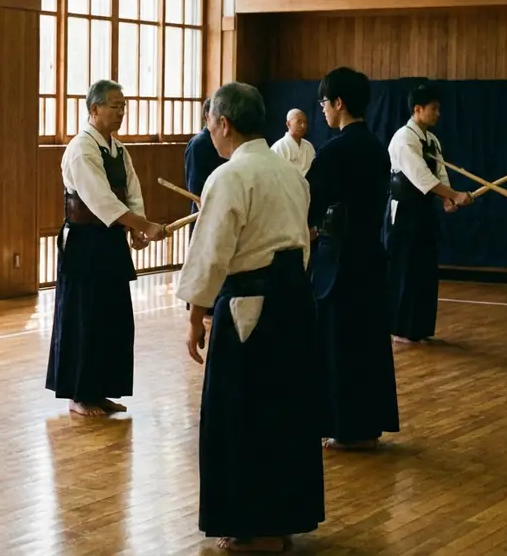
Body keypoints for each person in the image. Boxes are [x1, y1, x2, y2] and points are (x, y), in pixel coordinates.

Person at [177, 82, 324, 554]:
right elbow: (302, 242)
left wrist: (196, 314)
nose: (209, 132)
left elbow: (211, 253)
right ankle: (279, 520)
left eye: (210, 123)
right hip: (294, 302)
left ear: (224, 123)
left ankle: (252, 522)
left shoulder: (230, 176)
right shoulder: (289, 172)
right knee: (285, 410)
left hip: (250, 309)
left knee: (243, 415)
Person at [45, 79, 167, 417]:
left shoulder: (117, 149)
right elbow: (100, 200)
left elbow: (132, 191)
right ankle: (79, 394)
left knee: (111, 316)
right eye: (114, 105)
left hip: (111, 240)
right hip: (85, 241)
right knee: (83, 316)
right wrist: (143, 227)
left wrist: (137, 231)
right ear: (93, 109)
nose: (121, 111)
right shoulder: (81, 149)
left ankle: (101, 390)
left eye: (123, 106)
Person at [306, 67, 400, 451]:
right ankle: (365, 425)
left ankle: (344, 426)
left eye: (325, 103)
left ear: (339, 103)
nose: (323, 110)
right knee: (367, 343)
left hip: (339, 260)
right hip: (370, 256)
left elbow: (308, 204)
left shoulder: (333, 152)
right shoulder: (377, 149)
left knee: (337, 343)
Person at [384, 84, 472, 345]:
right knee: (405, 269)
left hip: (424, 210)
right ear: (418, 109)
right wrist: (454, 195)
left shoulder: (431, 140)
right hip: (404, 212)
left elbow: (439, 174)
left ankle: (419, 328)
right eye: (434, 109)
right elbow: (421, 177)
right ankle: (399, 327)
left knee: (424, 269)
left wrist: (448, 199)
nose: (438, 114)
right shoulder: (404, 138)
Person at [184, 97, 228, 210]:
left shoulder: (226, 139)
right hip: (205, 209)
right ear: (207, 116)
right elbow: (195, 188)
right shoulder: (199, 144)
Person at [271, 108, 315, 176]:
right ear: (288, 124)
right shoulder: (279, 147)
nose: (303, 126)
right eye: (299, 122)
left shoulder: (308, 146)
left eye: (305, 122)